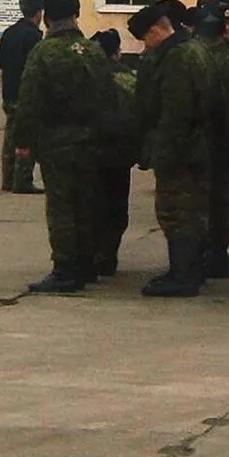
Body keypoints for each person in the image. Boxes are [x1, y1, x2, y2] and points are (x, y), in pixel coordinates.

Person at [9, 0, 108, 291]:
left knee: (62, 206)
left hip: (57, 141)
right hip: (92, 140)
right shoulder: (93, 51)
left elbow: (30, 100)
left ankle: (65, 269)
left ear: (47, 18)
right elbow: (109, 95)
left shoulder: (43, 53)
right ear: (77, 14)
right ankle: (87, 263)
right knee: (87, 202)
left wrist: (23, 141)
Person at [131, 0, 218, 296]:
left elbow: (175, 111)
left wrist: (163, 153)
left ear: (157, 29)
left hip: (181, 149)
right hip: (197, 146)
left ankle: (183, 276)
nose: (146, 45)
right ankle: (189, 270)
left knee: (176, 211)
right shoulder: (193, 48)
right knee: (192, 210)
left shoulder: (177, 58)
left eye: (146, 38)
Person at [197, 0, 229, 279]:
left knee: (202, 199)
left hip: (203, 138)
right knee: (224, 200)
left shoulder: (193, 56)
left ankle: (203, 252)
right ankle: (217, 252)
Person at [92, 29, 138, 276]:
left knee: (92, 205)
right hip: (120, 153)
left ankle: (92, 255)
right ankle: (108, 255)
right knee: (116, 206)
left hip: (91, 151)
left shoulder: (86, 77)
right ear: (117, 53)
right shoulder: (127, 78)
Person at [0, 0, 46, 193]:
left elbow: (0, 61)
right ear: (38, 13)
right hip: (25, 93)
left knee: (10, 136)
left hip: (9, 91)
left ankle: (8, 178)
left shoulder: (9, 32)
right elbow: (37, 65)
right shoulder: (34, 35)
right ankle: (23, 179)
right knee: (27, 136)